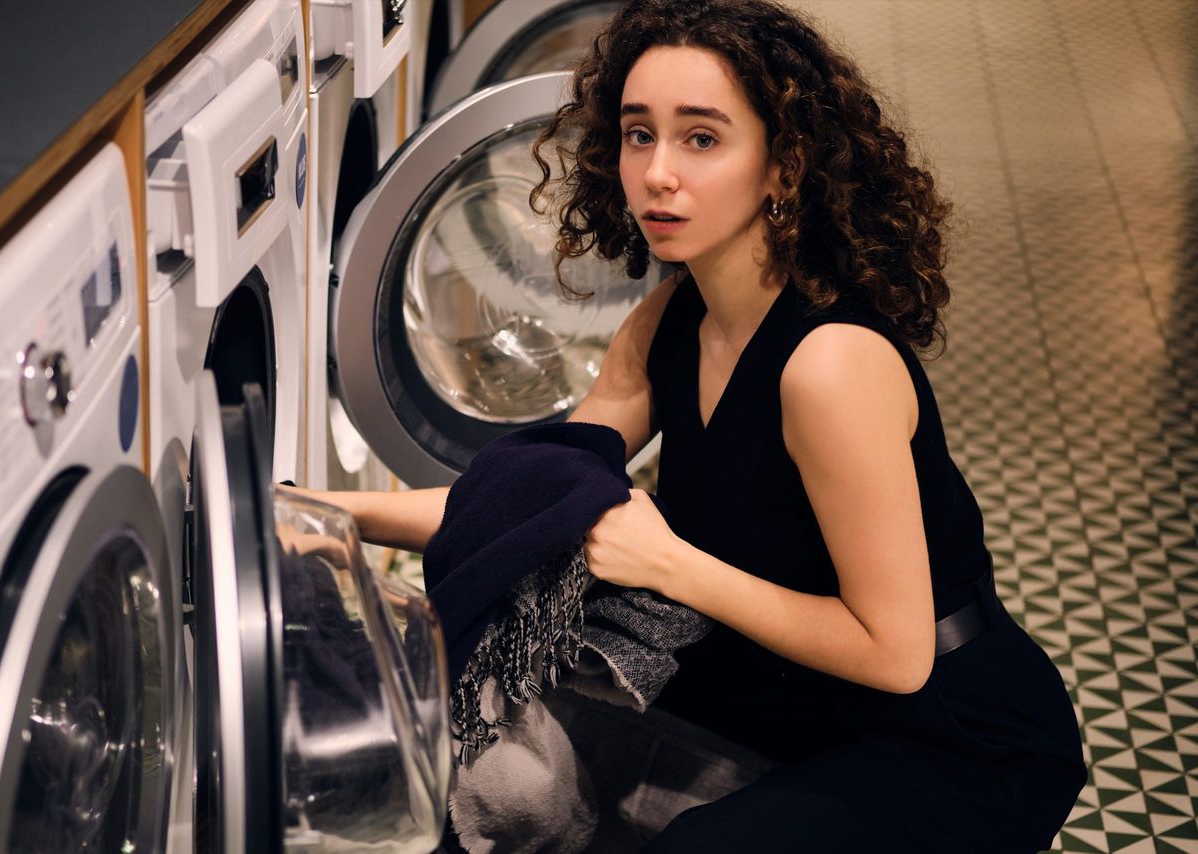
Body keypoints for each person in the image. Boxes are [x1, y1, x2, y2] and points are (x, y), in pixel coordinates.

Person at [297, 0, 1087, 850]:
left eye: (701, 138)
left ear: (784, 168)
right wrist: (331, 515)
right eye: (640, 134)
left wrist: (673, 565)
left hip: (949, 736)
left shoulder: (830, 366)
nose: (658, 173)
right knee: (501, 742)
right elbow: (534, 501)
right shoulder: (672, 319)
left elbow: (896, 653)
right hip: (785, 686)